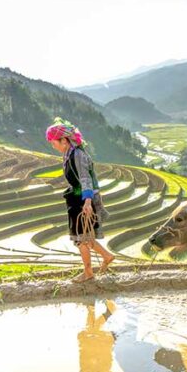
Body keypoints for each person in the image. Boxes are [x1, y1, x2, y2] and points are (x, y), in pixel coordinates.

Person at [46, 118, 114, 282]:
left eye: (54, 142)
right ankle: (106, 256)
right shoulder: (70, 154)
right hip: (77, 199)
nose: (52, 145)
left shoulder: (78, 155)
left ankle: (88, 272)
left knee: (81, 239)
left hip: (82, 201)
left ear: (64, 140)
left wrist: (88, 202)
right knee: (84, 237)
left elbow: (85, 179)